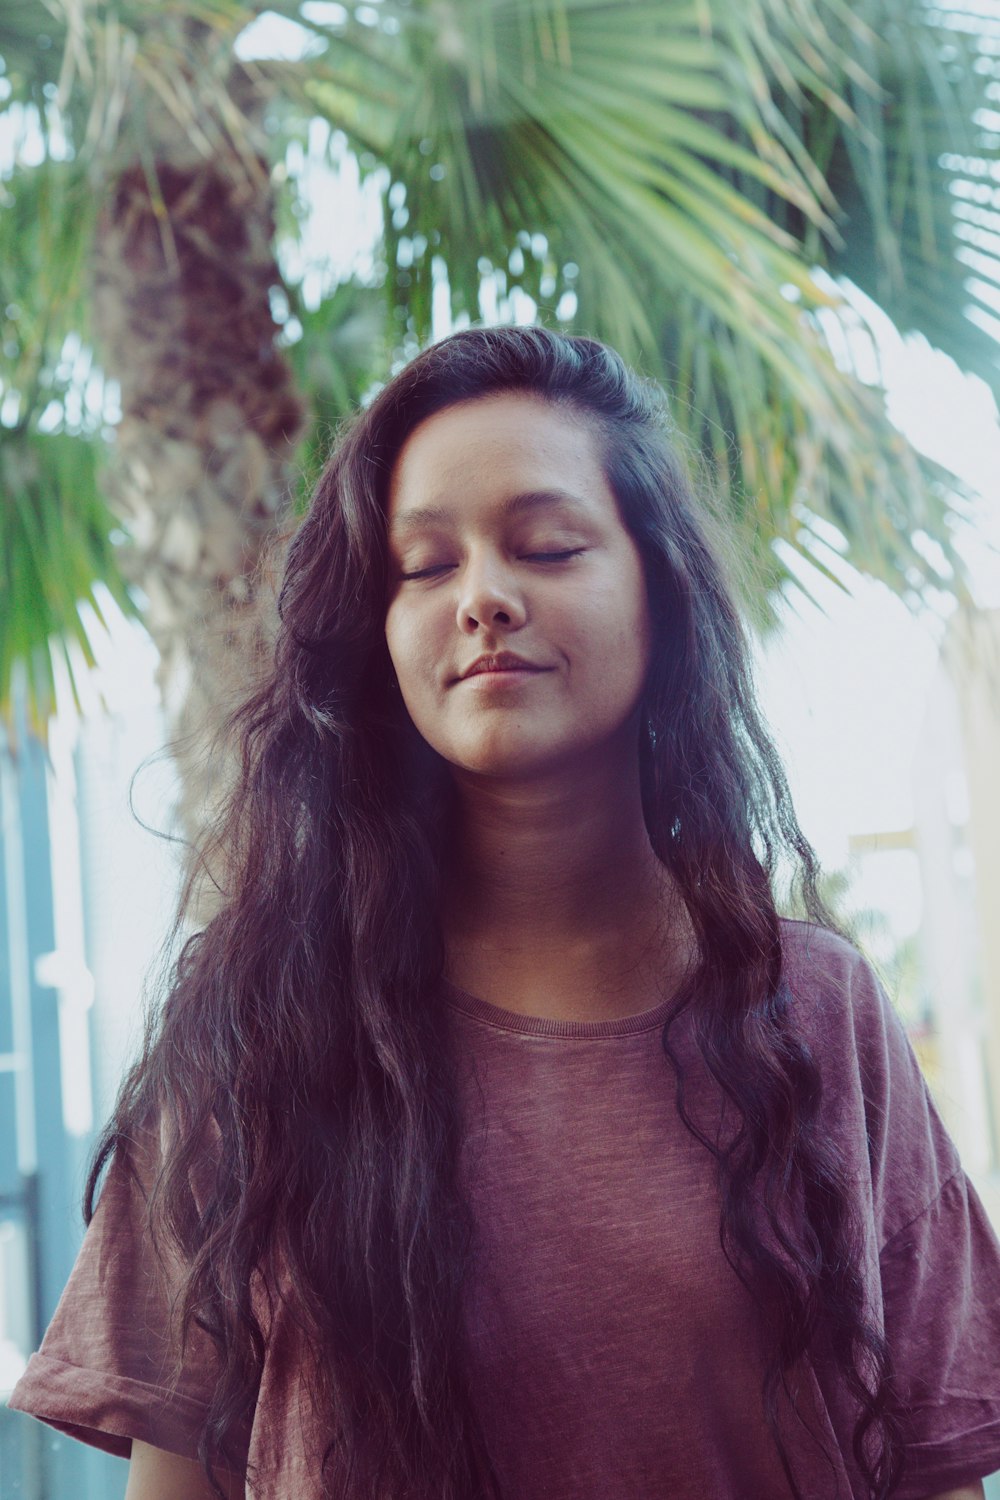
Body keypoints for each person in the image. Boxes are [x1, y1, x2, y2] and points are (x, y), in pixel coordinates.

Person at [9, 326, 1000, 1500]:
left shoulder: (812, 1008)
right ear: (376, 637)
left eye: (546, 545)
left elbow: (931, 1464)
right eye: (424, 567)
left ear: (660, 592)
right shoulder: (250, 1019)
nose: (483, 597)